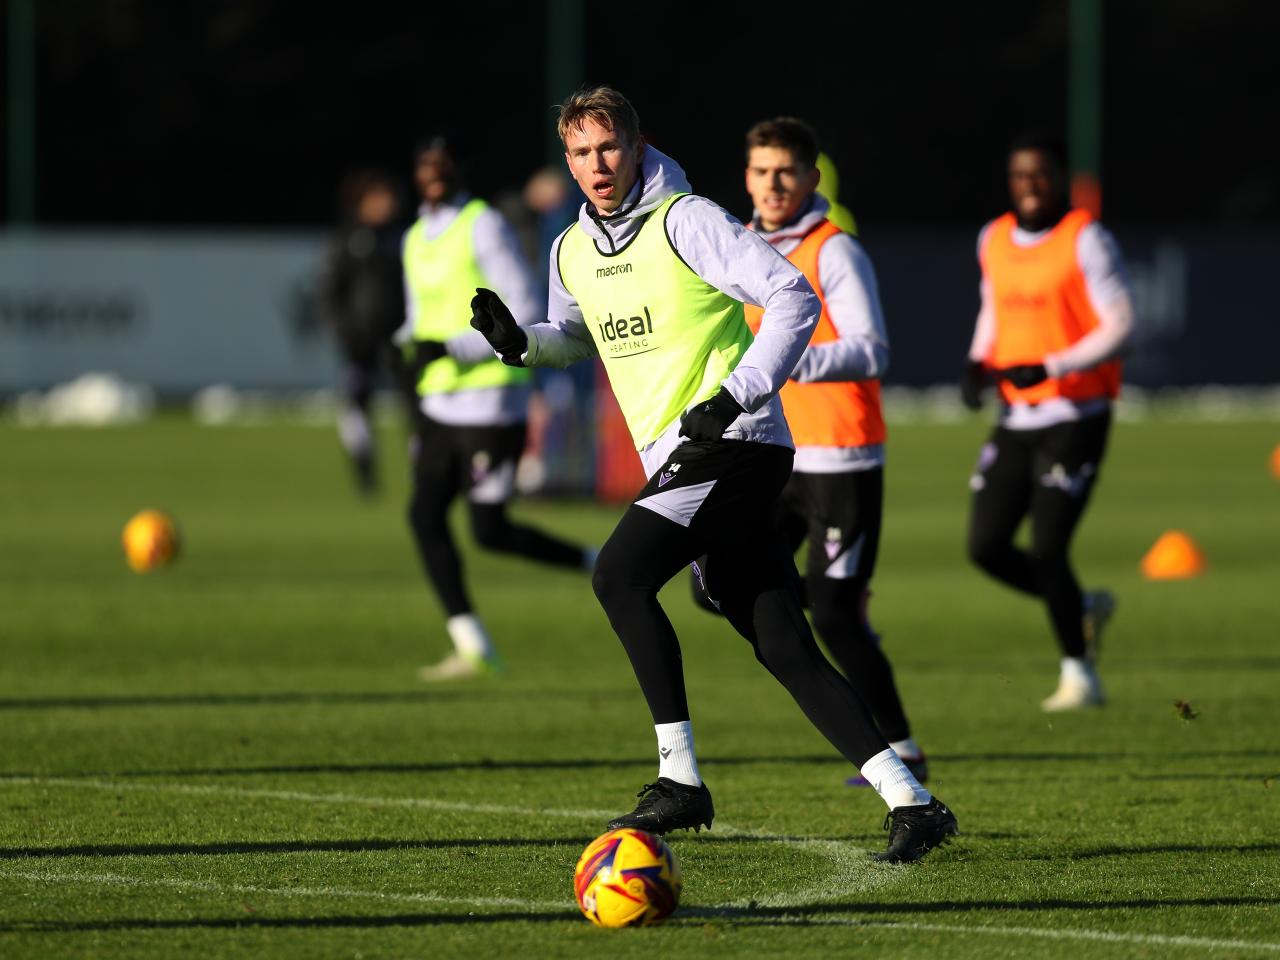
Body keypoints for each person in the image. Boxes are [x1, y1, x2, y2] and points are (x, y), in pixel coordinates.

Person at [469, 86, 957, 862]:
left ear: (635, 147)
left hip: (738, 442)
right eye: (580, 153)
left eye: (608, 149)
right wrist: (519, 344)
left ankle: (681, 780)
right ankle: (913, 800)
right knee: (780, 639)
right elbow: (574, 336)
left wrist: (739, 391)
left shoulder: (686, 219)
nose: (596, 166)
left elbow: (791, 296)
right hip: (687, 457)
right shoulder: (569, 250)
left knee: (619, 577)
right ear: (567, 161)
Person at [725, 116, 927, 785]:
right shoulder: (739, 248)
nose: (773, 184)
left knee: (837, 617)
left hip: (843, 458)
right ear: (746, 178)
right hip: (773, 454)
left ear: (812, 178)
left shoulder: (834, 250)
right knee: (716, 582)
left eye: (786, 171)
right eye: (761, 171)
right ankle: (829, 610)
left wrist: (789, 362)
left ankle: (903, 745)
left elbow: (873, 350)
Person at [398, 134, 595, 681]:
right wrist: (402, 346)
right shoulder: (415, 235)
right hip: (440, 405)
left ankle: (596, 563)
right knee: (423, 515)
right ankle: (471, 642)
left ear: (460, 168)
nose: (434, 174)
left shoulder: (481, 224)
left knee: (489, 531)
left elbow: (523, 308)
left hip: (490, 406)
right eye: (424, 165)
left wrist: (451, 347)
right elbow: (419, 316)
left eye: (443, 164)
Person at [960, 130, 1134, 711]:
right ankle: (1080, 607)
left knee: (1050, 544)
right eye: (1019, 175)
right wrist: (979, 361)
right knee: (985, 546)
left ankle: (1079, 674)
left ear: (1060, 178)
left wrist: (1053, 364)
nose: (1029, 186)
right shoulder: (995, 237)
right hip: (1017, 414)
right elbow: (995, 305)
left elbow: (1120, 326)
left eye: (1039, 174)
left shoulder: (1087, 239)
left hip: (1077, 413)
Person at [315, 169, 411, 495]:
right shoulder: (348, 240)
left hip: (398, 338)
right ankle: (364, 469)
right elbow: (330, 291)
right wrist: (343, 330)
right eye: (381, 197)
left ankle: (423, 471)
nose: (389, 203)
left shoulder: (401, 238)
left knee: (414, 405)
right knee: (356, 406)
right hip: (359, 341)